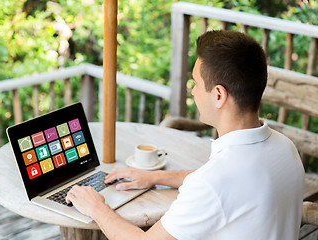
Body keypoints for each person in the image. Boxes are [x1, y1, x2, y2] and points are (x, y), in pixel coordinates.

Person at [66, 30, 304, 240]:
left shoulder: (215, 181)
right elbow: (228, 184)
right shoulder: (285, 148)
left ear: (218, 95)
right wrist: (155, 177)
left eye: (196, 83)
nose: (192, 91)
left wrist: (97, 207)